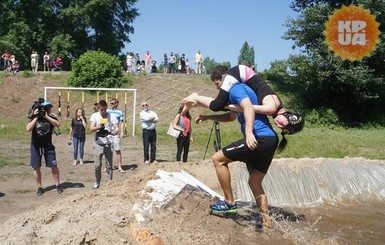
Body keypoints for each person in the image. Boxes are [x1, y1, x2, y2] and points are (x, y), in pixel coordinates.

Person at [192, 74, 279, 229]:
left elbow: (248, 107)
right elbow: (232, 116)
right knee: (254, 181)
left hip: (260, 137)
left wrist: (249, 132)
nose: (217, 88)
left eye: (217, 83)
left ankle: (229, 202)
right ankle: (267, 221)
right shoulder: (239, 91)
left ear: (224, 80)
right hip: (271, 139)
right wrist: (208, 117)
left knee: (218, 159)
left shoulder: (235, 89)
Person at [181, 65, 305, 151]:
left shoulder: (275, 107)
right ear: (287, 115)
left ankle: (196, 103)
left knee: (221, 105)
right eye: (284, 124)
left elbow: (233, 115)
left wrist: (209, 116)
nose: (279, 126)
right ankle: (195, 97)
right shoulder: (272, 108)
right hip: (238, 73)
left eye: (282, 129)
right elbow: (248, 108)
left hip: (242, 74)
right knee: (217, 105)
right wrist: (249, 132)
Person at [26, 100, 63, 196]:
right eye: (45, 108)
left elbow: (57, 124)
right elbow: (28, 129)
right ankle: (39, 187)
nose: (47, 109)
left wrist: (46, 116)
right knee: (36, 167)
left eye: (48, 108)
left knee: (53, 166)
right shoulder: (34, 117)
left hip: (48, 145)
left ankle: (58, 184)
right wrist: (36, 117)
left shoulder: (51, 117)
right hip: (35, 145)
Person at [89, 100, 119, 189]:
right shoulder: (94, 116)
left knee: (109, 165)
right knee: (97, 165)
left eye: (105, 109)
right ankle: (97, 181)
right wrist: (98, 127)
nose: (104, 111)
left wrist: (115, 131)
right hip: (98, 143)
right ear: (99, 108)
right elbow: (91, 128)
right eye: (102, 110)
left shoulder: (111, 116)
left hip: (108, 142)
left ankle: (109, 183)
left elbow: (117, 127)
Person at [107, 98, 125, 173]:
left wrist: (122, 132)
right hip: (108, 133)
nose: (111, 105)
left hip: (116, 133)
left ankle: (119, 166)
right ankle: (107, 166)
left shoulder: (119, 112)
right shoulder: (107, 111)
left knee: (117, 150)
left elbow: (121, 123)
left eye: (113, 103)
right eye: (110, 103)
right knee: (107, 150)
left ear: (117, 104)